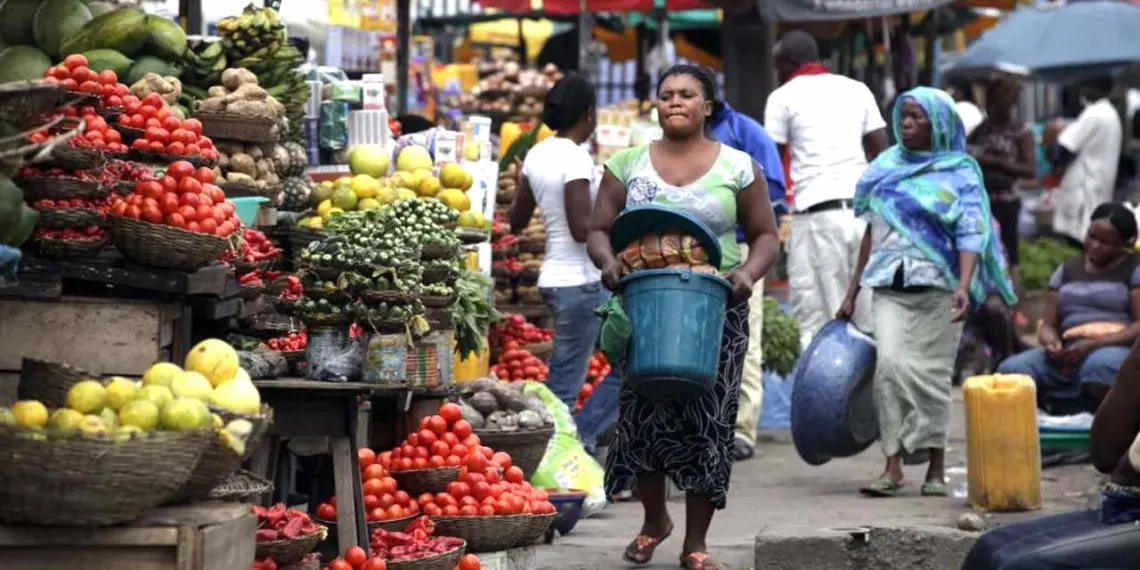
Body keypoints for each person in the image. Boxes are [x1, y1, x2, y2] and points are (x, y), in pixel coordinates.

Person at [586, 64, 780, 569]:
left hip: (717, 309)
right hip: (644, 306)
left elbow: (765, 235)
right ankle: (655, 519)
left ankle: (696, 541)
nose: (676, 101)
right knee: (643, 416)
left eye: (688, 95)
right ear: (656, 104)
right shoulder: (627, 164)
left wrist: (747, 277)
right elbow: (598, 229)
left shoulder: (739, 166)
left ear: (708, 107)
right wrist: (608, 263)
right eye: (667, 94)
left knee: (708, 421)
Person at [837, 86, 1016, 497]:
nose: (906, 125)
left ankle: (935, 465)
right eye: (903, 117)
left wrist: (964, 284)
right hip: (889, 284)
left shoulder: (961, 171)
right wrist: (852, 291)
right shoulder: (885, 166)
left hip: (940, 287)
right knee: (890, 368)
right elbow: (872, 230)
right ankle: (893, 464)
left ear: (938, 124)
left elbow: (972, 230)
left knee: (933, 377)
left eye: (916, 118)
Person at [508, 74, 621, 447]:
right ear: (588, 115)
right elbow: (580, 228)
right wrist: (617, 215)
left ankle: (575, 441)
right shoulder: (575, 157)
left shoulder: (538, 154)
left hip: (556, 278)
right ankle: (570, 446)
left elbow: (517, 220)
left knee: (609, 367)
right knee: (569, 384)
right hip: (581, 282)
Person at [961, 338, 1140, 569]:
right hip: (1125, 505)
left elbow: (1126, 468)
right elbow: (1105, 455)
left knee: (1022, 566)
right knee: (988, 547)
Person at [765, 30, 889, 346]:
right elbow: (881, 150)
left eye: (778, 65)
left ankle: (826, 395)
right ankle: (871, 395)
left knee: (818, 324)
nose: (776, 72)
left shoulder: (782, 97)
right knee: (870, 319)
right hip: (863, 219)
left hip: (817, 219)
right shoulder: (856, 89)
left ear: (789, 62)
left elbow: (773, 164)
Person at [996, 203, 1140, 413]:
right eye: (1092, 237)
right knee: (1011, 371)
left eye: (1106, 242)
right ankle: (1042, 423)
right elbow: (1048, 324)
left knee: (1099, 368)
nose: (1095, 246)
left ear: (1123, 244)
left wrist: (1090, 345)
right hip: (1068, 350)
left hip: (1113, 348)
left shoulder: (1134, 269)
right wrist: (1051, 342)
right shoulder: (1066, 271)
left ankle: (1105, 423)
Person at [708, 98, 788, 461]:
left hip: (740, 250)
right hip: (691, 250)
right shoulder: (672, 141)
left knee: (744, 335)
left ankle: (741, 429)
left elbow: (774, 193)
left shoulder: (744, 131)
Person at [1051, 76, 1122, 245]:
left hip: (1085, 187)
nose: (1083, 92)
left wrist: (1055, 135)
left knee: (1078, 239)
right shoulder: (1111, 113)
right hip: (1099, 185)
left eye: (1086, 87)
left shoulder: (1094, 113)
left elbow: (1065, 146)